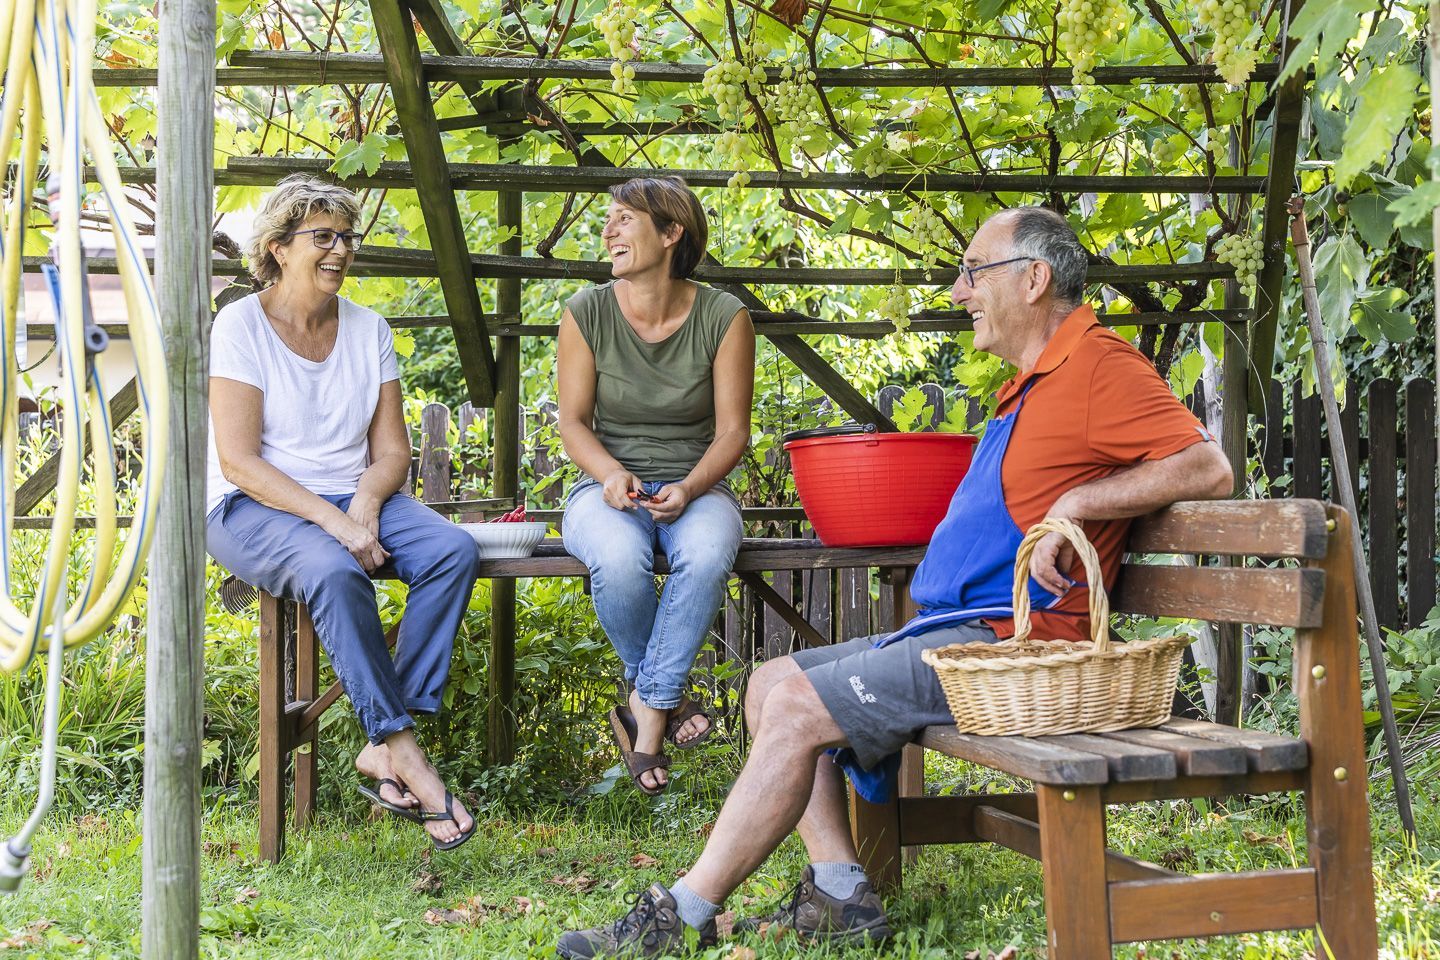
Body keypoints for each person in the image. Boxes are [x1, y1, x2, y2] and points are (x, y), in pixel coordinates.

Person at [554, 206, 1235, 957]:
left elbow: (1208, 465)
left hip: (1010, 645)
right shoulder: (1034, 378)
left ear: (1034, 279)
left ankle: (681, 913)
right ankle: (842, 893)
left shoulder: (1100, 364)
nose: (957, 290)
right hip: (953, 633)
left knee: (794, 711)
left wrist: (1079, 503)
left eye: (973, 271)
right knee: (767, 684)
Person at [207, 175, 480, 850]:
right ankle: (406, 754)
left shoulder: (369, 328)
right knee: (333, 572)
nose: (340, 249)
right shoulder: (240, 323)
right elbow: (239, 460)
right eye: (322, 236)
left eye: (346, 237)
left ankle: (388, 741)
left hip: (348, 498)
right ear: (276, 247)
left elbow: (393, 452)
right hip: (251, 505)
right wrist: (337, 524)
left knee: (454, 551)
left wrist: (364, 498)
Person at [557, 176, 756, 795]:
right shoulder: (585, 312)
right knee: (617, 559)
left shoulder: (725, 317)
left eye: (624, 219)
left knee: (704, 557)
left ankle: (644, 716)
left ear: (672, 233)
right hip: (604, 488)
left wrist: (692, 488)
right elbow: (572, 423)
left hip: (696, 488)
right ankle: (662, 705)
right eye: (608, 219)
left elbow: (732, 433)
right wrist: (612, 474)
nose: (608, 230)